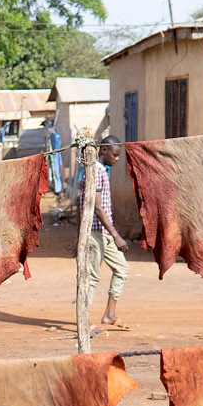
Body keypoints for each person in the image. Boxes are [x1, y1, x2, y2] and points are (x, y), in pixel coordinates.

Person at [90, 137, 130, 330]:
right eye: (114, 154)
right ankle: (84, 320)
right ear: (103, 149)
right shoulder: (95, 170)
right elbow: (97, 208)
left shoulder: (103, 171)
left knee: (121, 269)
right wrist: (116, 235)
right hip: (96, 232)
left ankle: (109, 314)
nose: (116, 159)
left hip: (104, 232)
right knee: (91, 276)